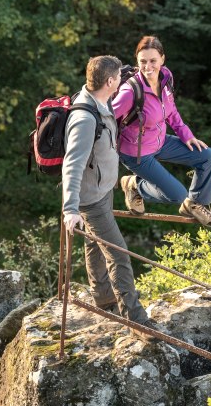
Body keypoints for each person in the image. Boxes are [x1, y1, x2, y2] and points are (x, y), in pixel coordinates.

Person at [62, 55, 158, 336]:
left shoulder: (100, 99)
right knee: (119, 255)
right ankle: (136, 320)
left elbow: (118, 77)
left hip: (103, 189)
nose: (122, 81)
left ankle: (103, 299)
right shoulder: (83, 119)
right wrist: (70, 208)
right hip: (90, 199)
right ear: (109, 82)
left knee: (94, 244)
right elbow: (73, 164)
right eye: (118, 78)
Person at [112, 36, 211, 227]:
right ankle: (134, 184)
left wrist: (186, 135)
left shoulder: (166, 77)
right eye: (143, 62)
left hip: (160, 142)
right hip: (136, 152)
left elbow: (171, 111)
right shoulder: (130, 91)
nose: (148, 67)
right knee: (177, 195)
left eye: (153, 61)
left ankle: (195, 205)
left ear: (162, 59)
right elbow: (107, 117)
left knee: (208, 156)